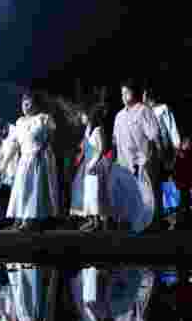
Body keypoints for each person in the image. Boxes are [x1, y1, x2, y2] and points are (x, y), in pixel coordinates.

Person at [0, 92, 59, 233]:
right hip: (24, 159)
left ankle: (29, 220)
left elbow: (51, 139)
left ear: (35, 104)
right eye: (24, 103)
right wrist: (5, 163)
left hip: (38, 158)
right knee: (21, 189)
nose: (25, 106)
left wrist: (41, 150)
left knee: (34, 190)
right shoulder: (20, 122)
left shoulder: (44, 118)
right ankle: (18, 220)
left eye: (29, 103)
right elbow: (15, 144)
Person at [113, 78, 163, 232]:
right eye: (122, 93)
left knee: (147, 196)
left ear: (134, 93)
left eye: (126, 92)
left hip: (142, 162)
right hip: (124, 163)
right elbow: (115, 140)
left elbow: (154, 136)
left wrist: (156, 157)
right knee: (131, 197)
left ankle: (152, 224)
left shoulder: (144, 111)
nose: (123, 96)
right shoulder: (119, 116)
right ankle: (135, 224)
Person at [69, 103, 111, 232]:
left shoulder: (98, 130)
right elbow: (84, 147)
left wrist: (91, 164)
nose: (81, 117)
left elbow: (101, 150)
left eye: (83, 115)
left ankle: (98, 222)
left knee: (95, 194)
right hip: (88, 164)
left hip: (96, 165)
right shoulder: (88, 130)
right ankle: (92, 220)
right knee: (88, 194)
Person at [145, 84, 181, 223]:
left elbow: (171, 128)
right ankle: (156, 215)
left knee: (165, 182)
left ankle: (170, 215)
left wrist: (176, 148)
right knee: (153, 184)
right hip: (150, 152)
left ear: (148, 95)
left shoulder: (163, 109)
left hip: (164, 151)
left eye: (144, 94)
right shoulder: (145, 112)